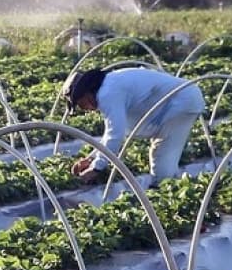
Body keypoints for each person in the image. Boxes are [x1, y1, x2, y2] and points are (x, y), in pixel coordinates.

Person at [63, 67, 205, 185]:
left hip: (182, 102)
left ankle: (168, 193)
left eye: (81, 104)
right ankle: (173, 187)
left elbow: (115, 135)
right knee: (163, 155)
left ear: (87, 93)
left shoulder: (108, 94)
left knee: (162, 156)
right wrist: (91, 159)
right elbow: (111, 133)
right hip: (179, 102)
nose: (85, 109)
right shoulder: (110, 85)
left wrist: (96, 168)